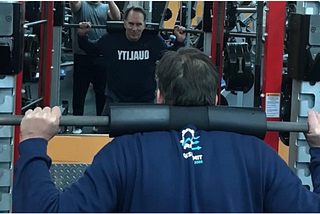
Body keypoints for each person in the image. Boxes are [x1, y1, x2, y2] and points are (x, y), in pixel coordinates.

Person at [13, 47, 320, 212]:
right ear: (215, 98)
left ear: (158, 96)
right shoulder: (259, 156)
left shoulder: (122, 153)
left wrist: (33, 142)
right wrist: (318, 150)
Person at [77, 6, 186, 120]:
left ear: (144, 24)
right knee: (103, 134)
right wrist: (82, 36)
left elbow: (169, 55)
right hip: (116, 99)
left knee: (148, 134)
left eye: (138, 24)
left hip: (145, 99)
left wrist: (179, 41)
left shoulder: (153, 40)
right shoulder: (112, 39)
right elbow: (92, 49)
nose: (134, 28)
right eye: (131, 24)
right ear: (124, 23)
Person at [70, 1, 121, 134]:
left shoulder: (105, 8)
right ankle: (77, 124)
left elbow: (117, 17)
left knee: (101, 91)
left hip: (101, 55)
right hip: (82, 54)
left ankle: (99, 123)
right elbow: (74, 5)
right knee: (80, 90)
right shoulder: (81, 5)